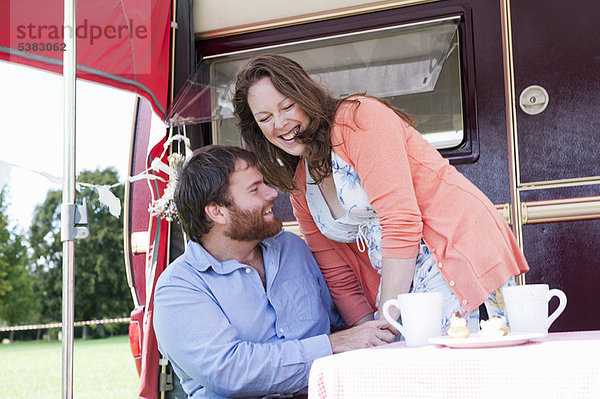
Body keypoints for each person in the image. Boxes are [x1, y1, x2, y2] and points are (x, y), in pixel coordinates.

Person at [232, 53, 530, 333]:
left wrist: (386, 319)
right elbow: (337, 274)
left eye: (286, 107)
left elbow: (400, 219)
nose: (280, 124)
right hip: (403, 280)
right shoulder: (300, 184)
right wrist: (369, 333)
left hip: (454, 250)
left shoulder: (357, 119)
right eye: (265, 118)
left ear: (305, 97)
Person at [152, 145, 394, 399]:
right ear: (217, 212)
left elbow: (338, 323)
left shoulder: (293, 249)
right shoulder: (178, 288)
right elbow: (232, 373)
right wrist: (331, 347)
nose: (272, 194)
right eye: (255, 189)